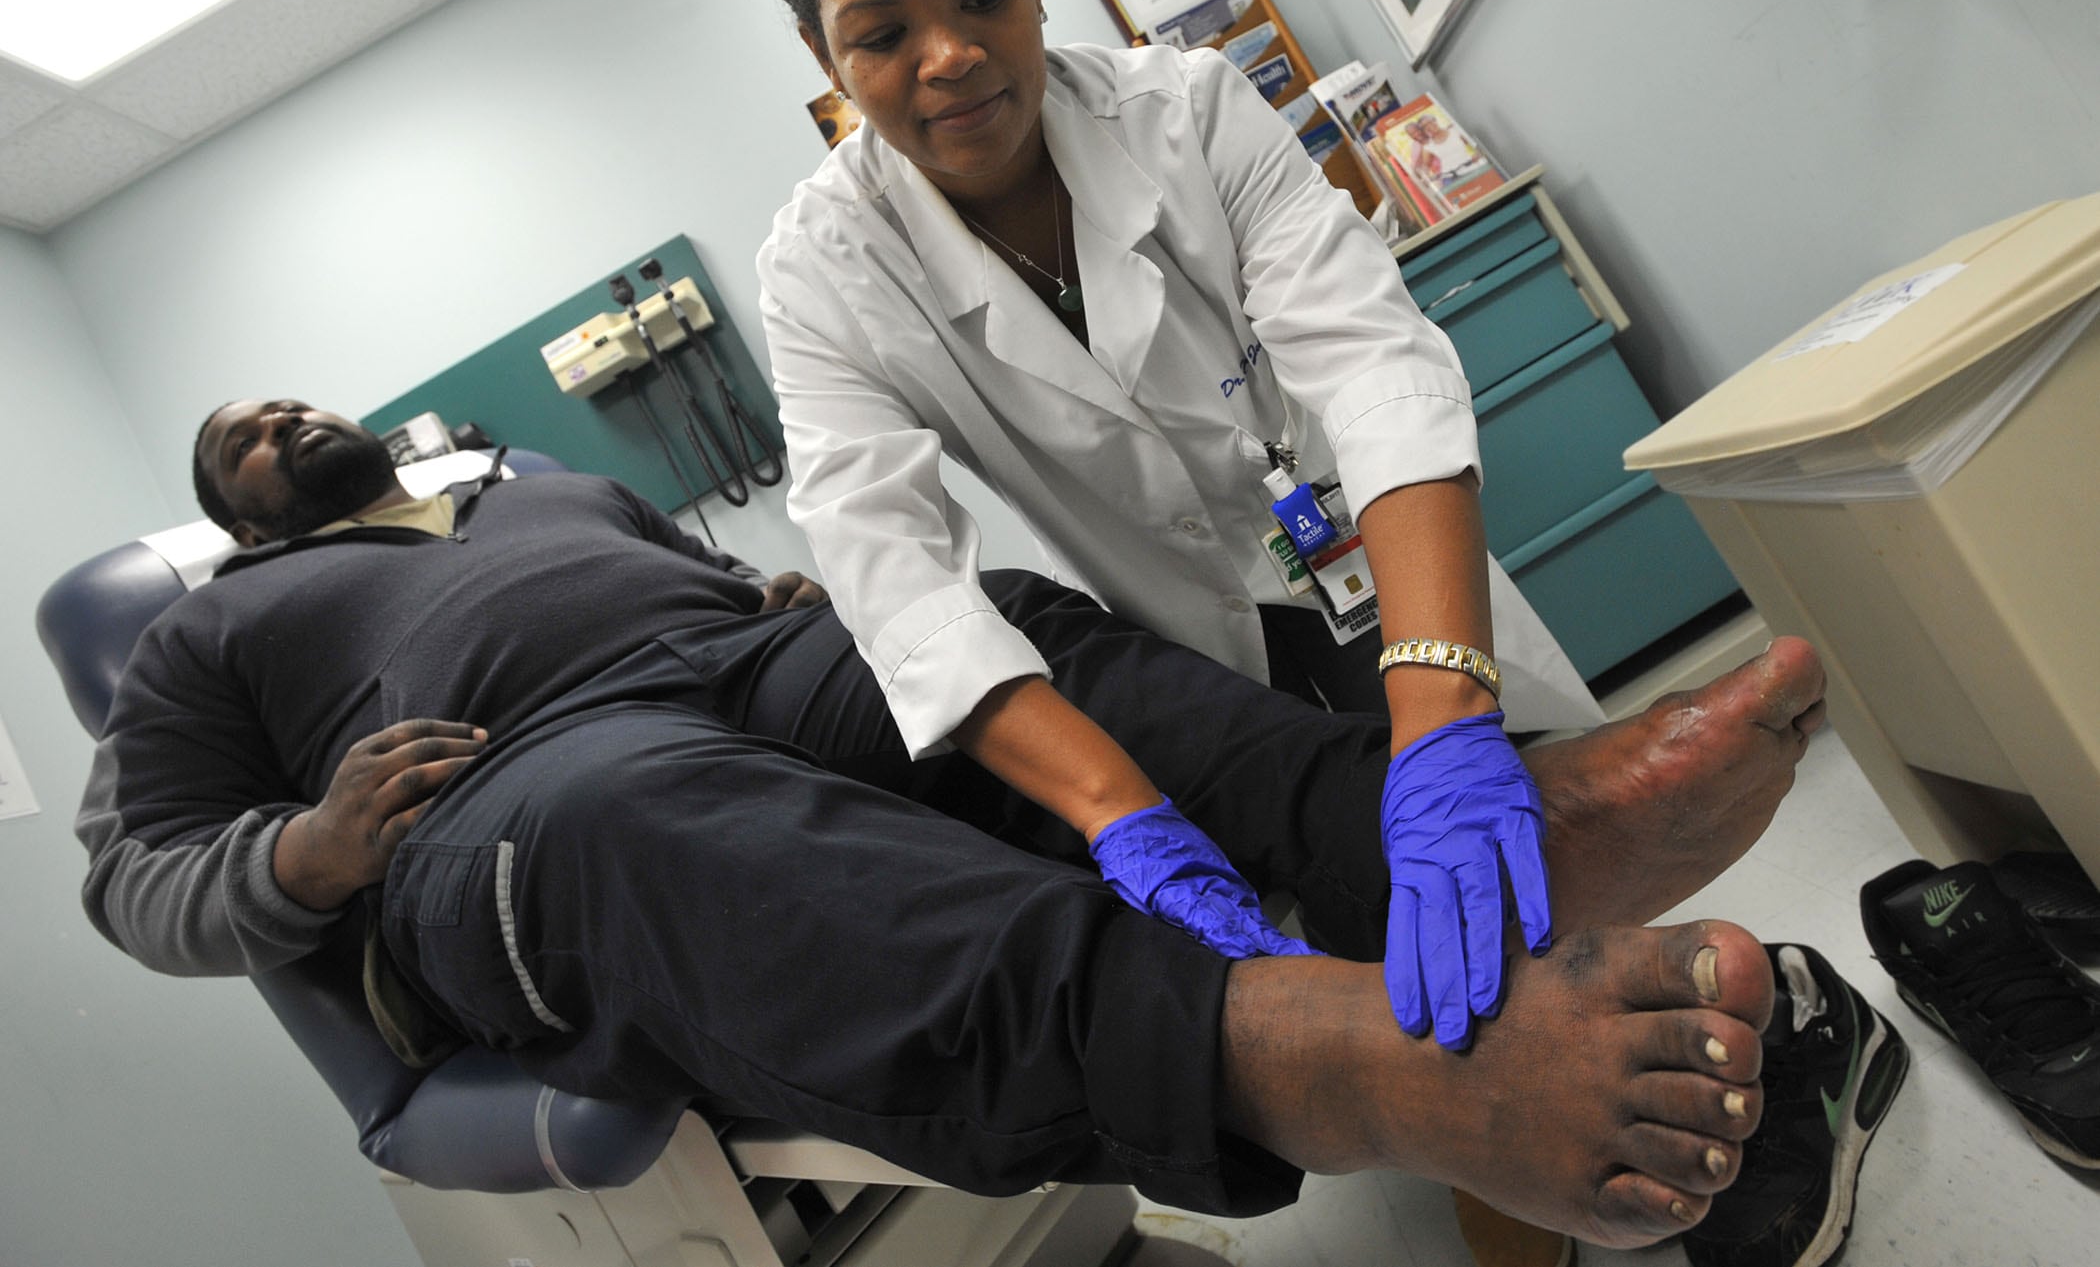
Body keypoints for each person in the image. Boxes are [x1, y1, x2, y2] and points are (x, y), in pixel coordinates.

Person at [76, 397, 1832, 1248]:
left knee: (976, 627)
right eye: (240, 438)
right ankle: (1315, 1053)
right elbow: (134, 876)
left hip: (739, 661)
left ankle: (1456, 832)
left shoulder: (541, 488)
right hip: (510, 790)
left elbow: (719, 583)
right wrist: (309, 850)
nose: (279, 417)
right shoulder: (209, 633)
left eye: (287, 396)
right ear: (233, 519)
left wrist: (791, 599)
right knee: (642, 811)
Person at [756, 0, 1593, 1061]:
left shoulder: (1190, 109)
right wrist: (1121, 812)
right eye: (881, 35)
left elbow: (1372, 360)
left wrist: (1442, 712)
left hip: (1384, 565)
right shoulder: (823, 272)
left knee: (1561, 882)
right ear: (827, 62)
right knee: (1387, 975)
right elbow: (898, 583)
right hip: (1196, 649)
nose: (949, 56)